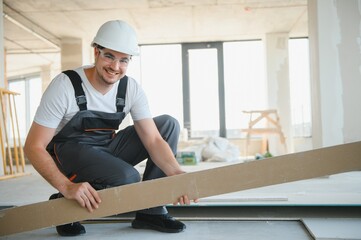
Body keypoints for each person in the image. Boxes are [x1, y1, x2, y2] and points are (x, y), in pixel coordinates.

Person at [24, 20, 197, 237]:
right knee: (128, 178)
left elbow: (153, 140)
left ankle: (150, 211)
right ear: (96, 52)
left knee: (167, 124)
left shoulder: (130, 88)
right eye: (109, 56)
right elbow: (33, 146)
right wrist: (65, 187)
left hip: (105, 147)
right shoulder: (65, 86)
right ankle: (64, 207)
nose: (115, 67)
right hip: (70, 152)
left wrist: (176, 174)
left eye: (123, 60)